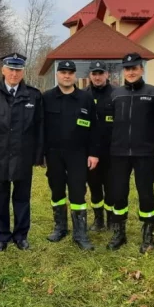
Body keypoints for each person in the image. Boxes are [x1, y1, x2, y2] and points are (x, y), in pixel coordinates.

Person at [0, 53, 45, 252]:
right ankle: (2, 236)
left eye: (18, 70)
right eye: (11, 69)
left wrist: (38, 156)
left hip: (23, 157)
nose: (14, 74)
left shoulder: (33, 95)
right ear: (3, 70)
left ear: (23, 72)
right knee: (0, 197)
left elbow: (39, 127)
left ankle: (21, 235)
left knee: (22, 198)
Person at [104, 52, 154, 253]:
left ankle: (148, 234)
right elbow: (109, 123)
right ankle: (119, 232)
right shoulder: (115, 94)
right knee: (118, 193)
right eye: (127, 68)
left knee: (145, 192)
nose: (131, 72)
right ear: (124, 70)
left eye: (134, 68)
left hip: (144, 154)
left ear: (141, 69)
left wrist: (146, 141)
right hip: (119, 153)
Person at [42, 60, 101, 251]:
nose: (66, 76)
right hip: (54, 154)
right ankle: (60, 227)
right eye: (63, 72)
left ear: (75, 75)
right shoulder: (47, 98)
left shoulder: (85, 98)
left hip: (78, 154)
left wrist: (93, 153)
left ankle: (80, 233)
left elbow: (94, 128)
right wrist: (41, 154)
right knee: (57, 191)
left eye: (70, 72)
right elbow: (40, 128)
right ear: (57, 75)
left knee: (78, 192)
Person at [85, 60, 116, 232]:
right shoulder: (83, 95)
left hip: (111, 151)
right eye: (94, 74)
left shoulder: (117, 94)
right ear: (90, 75)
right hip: (91, 152)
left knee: (111, 187)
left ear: (107, 74)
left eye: (100, 73)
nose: (97, 77)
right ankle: (98, 220)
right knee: (95, 187)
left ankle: (112, 219)